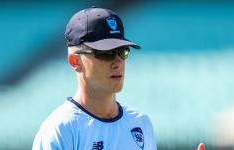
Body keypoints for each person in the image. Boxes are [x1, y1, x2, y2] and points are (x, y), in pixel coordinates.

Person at [32, 7, 157, 150]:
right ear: (75, 61)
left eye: (122, 51)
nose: (118, 62)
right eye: (106, 53)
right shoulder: (61, 129)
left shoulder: (141, 123)